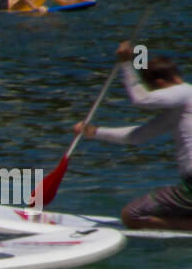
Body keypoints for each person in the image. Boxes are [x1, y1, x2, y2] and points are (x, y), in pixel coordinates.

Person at [76, 42, 192, 230]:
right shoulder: (182, 108)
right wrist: (94, 132)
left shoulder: (185, 92)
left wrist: (126, 63)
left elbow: (140, 99)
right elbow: (137, 136)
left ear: (161, 84)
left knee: (131, 216)